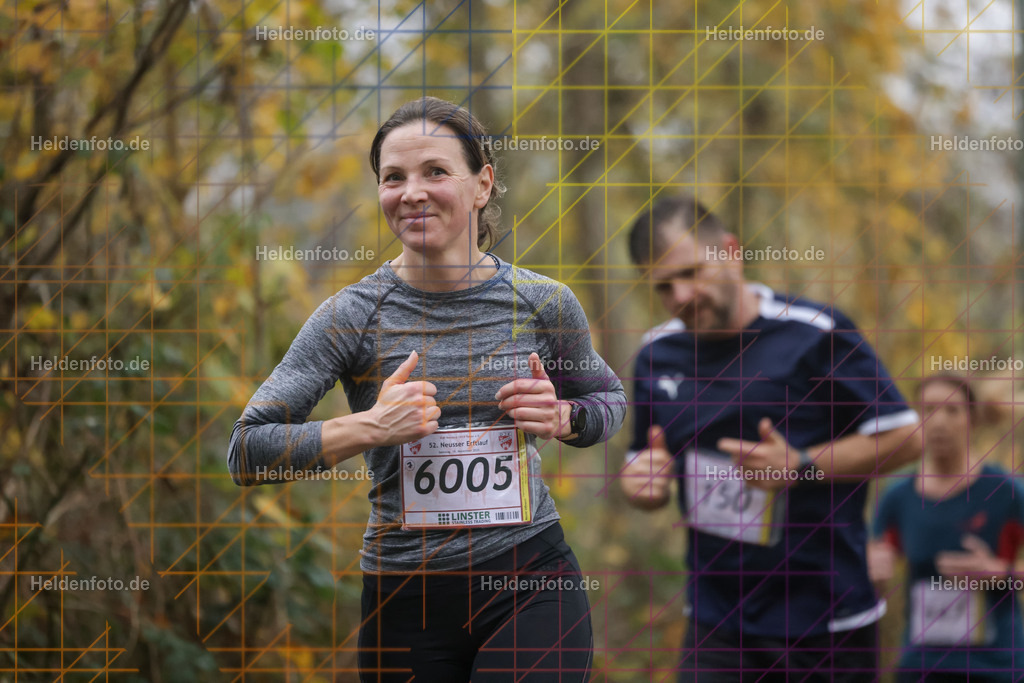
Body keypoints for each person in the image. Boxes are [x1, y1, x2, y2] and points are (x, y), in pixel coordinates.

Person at [227, 97, 625, 682]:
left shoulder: (543, 302)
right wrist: (370, 427)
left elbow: (609, 401)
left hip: (527, 577)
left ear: (482, 184)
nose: (411, 192)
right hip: (403, 596)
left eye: (435, 172)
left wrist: (565, 416)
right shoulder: (351, 315)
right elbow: (247, 450)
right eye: (394, 178)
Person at [619, 195, 922, 681]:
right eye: (664, 287)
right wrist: (644, 488)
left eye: (692, 273)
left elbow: (906, 437)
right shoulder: (657, 354)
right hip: (717, 623)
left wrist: (802, 465)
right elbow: (645, 468)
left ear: (731, 251)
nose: (679, 297)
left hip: (827, 622)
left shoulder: (814, 333)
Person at [869, 373, 1024, 682]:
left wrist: (1001, 574)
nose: (938, 422)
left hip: (996, 667)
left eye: (951, 410)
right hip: (921, 665)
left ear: (972, 419)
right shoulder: (897, 497)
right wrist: (870, 574)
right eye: (927, 410)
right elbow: (873, 586)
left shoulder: (1006, 492)